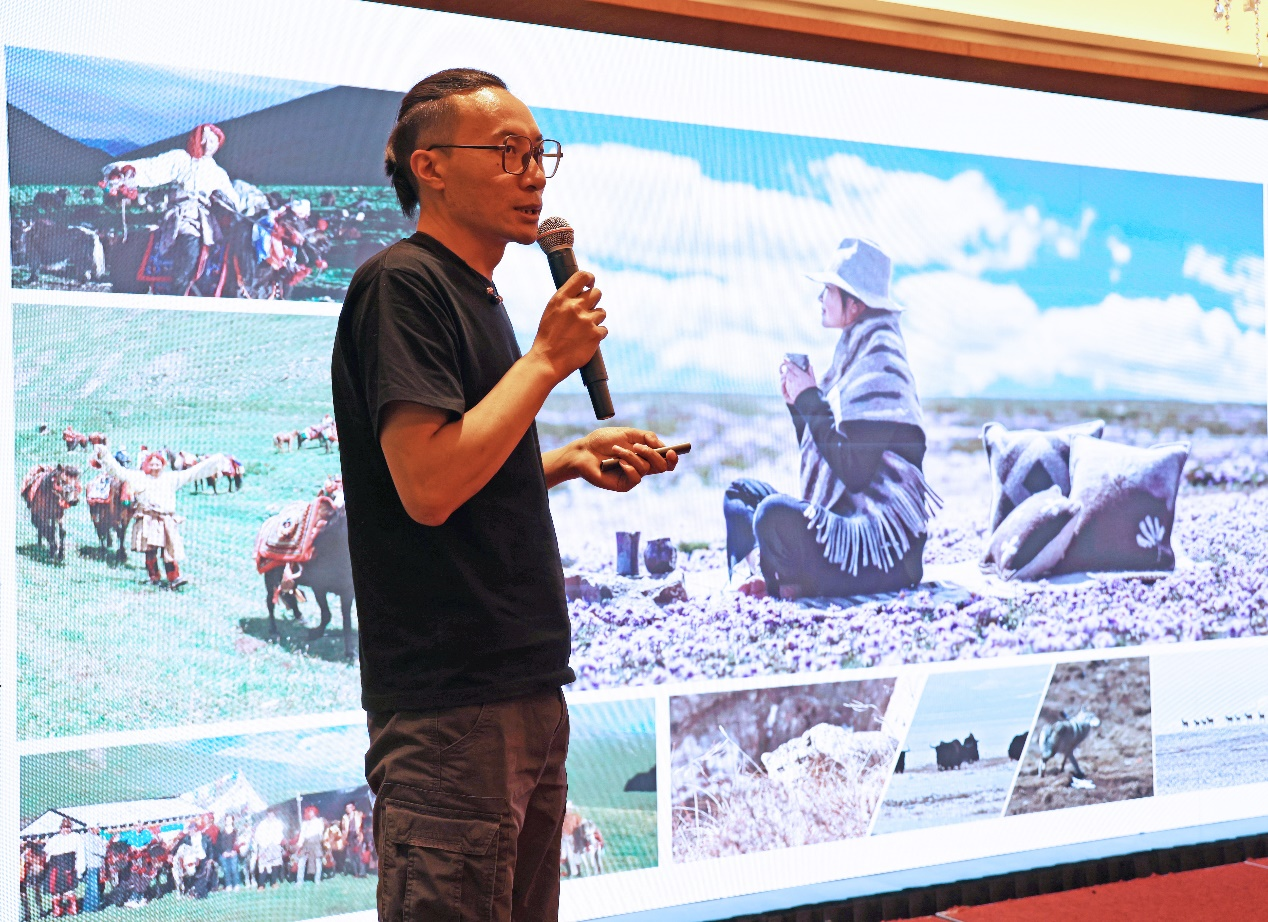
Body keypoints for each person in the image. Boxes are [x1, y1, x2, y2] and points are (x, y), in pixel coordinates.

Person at [331, 68, 677, 922]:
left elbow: (463, 472)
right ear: (430, 166)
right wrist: (547, 362)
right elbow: (427, 486)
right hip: (453, 709)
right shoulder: (402, 283)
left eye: (538, 154)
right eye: (508, 152)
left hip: (522, 690)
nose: (533, 175)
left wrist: (563, 460)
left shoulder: (477, 293)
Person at [724, 238, 938, 599]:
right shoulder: (854, 362)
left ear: (854, 304)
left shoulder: (881, 365)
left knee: (772, 514)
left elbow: (853, 472)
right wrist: (799, 407)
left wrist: (811, 398)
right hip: (848, 534)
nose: (820, 298)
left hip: (881, 553)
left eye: (829, 290)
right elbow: (829, 460)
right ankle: (766, 574)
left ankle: (779, 577)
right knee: (741, 494)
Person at [102, 123, 240, 295]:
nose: (209, 145)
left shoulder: (218, 173)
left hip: (207, 220)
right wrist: (124, 171)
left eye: (213, 141)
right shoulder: (181, 159)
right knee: (190, 245)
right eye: (205, 140)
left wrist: (231, 204)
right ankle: (177, 291)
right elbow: (152, 168)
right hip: (183, 216)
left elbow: (232, 198)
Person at [93, 446, 225, 588]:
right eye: (152, 463)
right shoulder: (138, 477)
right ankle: (154, 577)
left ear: (163, 465)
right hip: (148, 519)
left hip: (166, 520)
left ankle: (174, 578)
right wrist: (104, 455)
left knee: (169, 550)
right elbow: (118, 471)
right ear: (146, 464)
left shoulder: (171, 478)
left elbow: (193, 473)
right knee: (150, 551)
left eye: (158, 463)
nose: (155, 466)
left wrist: (214, 461)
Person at [44, 818, 85, 917]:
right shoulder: (55, 838)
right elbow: (46, 852)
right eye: (64, 827)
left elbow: (80, 853)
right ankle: (57, 910)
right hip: (55, 867)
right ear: (60, 828)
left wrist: (80, 868)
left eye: (68, 827)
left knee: (69, 890)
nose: (66, 829)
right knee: (56, 891)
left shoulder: (76, 837)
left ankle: (73, 909)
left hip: (69, 866)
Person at [294, 807, 325, 885]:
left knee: (317, 862)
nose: (310, 813)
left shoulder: (319, 822)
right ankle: (299, 881)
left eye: (311, 812)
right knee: (301, 862)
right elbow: (302, 835)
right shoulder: (305, 823)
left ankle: (317, 879)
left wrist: (317, 841)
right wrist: (299, 843)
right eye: (309, 812)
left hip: (315, 844)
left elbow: (320, 833)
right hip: (306, 845)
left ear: (314, 813)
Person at [81, 827, 106, 913]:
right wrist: (105, 850)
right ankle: (94, 907)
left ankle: (87, 907)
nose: (99, 829)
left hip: (98, 865)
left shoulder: (99, 837)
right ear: (91, 828)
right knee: (93, 888)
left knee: (94, 887)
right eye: (97, 827)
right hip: (91, 866)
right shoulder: (87, 837)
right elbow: (95, 850)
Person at [338, 802, 365, 878]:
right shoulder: (345, 817)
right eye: (347, 808)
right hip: (349, 837)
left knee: (359, 855)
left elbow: (363, 819)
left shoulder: (358, 814)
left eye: (349, 807)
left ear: (353, 808)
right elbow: (344, 829)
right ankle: (355, 873)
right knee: (351, 856)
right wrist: (344, 839)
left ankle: (362, 872)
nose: (348, 809)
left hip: (357, 836)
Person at [217, 816, 241, 890]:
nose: (228, 821)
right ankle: (228, 885)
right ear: (225, 821)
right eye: (227, 820)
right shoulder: (221, 832)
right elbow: (219, 843)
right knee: (226, 869)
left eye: (230, 820)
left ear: (232, 821)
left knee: (234, 869)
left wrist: (234, 850)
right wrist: (223, 852)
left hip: (233, 852)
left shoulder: (236, 831)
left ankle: (236, 884)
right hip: (224, 853)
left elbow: (238, 842)